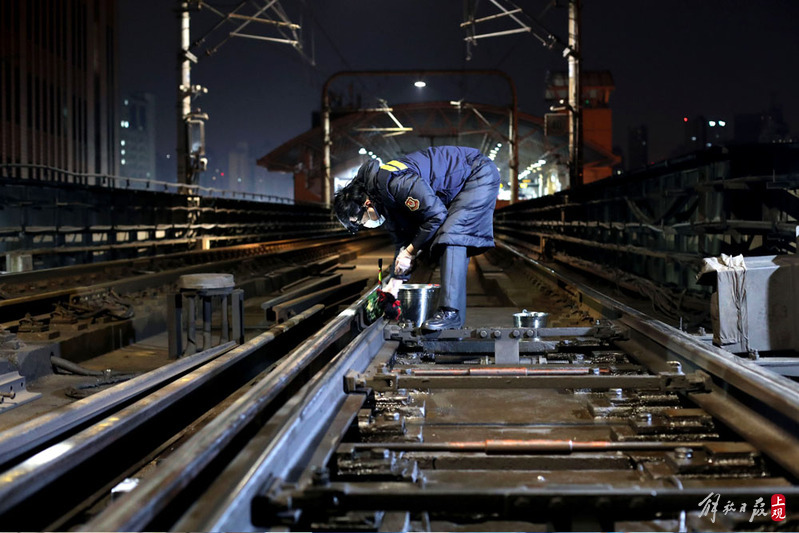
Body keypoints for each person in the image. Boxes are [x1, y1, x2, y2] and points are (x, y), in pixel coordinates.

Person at [333, 145, 500, 330]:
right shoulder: (385, 202)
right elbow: (402, 242)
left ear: (367, 204)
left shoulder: (395, 184)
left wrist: (410, 252)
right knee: (447, 236)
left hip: (476, 172)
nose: (363, 225)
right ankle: (452, 318)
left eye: (359, 221)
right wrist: (395, 282)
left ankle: (450, 313)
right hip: (458, 186)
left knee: (453, 235)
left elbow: (436, 215)